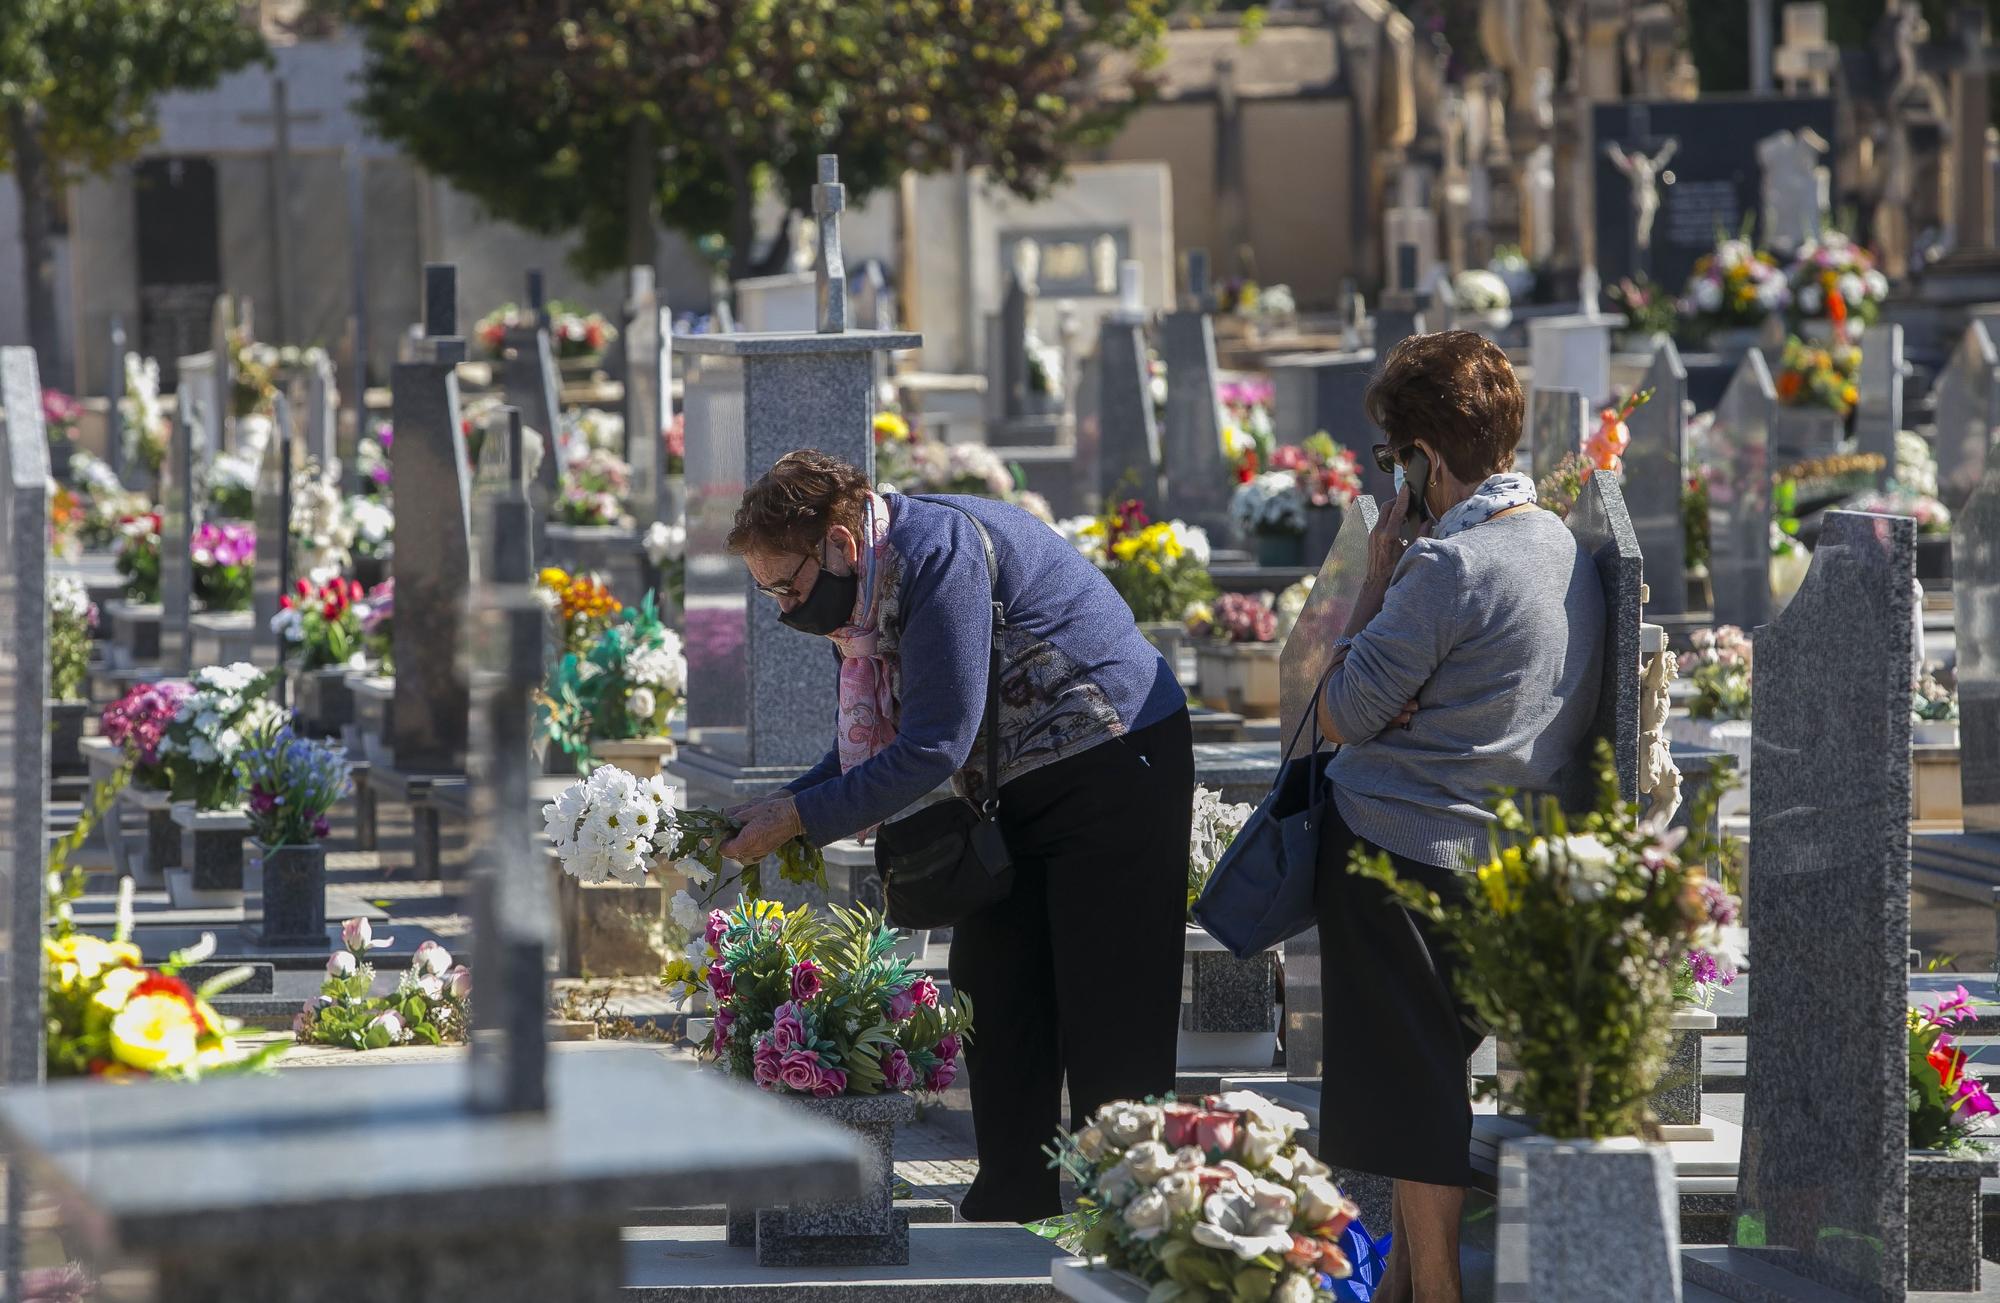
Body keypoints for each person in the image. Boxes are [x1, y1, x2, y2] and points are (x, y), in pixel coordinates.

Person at [718, 450, 1193, 1222]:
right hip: (1016, 786)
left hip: (1114, 761)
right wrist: (779, 805)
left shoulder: (935, 555)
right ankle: (1014, 1194)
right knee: (994, 985)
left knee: (1110, 1007)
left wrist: (800, 818)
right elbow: (866, 744)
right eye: (770, 593)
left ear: (839, 543)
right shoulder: (872, 582)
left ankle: (1131, 1217)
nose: (785, 609)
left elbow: (936, 742)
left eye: (788, 585)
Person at [1309, 332, 1606, 1303]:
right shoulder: (1554, 543)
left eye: (1394, 459)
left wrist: (1375, 576)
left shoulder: (1444, 567)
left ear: (1427, 460)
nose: (1394, 479)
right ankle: (1402, 1275)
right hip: (1496, 853)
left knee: (1407, 1087)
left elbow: (1339, 709)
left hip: (1397, 853)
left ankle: (1430, 1287)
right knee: (1422, 1070)